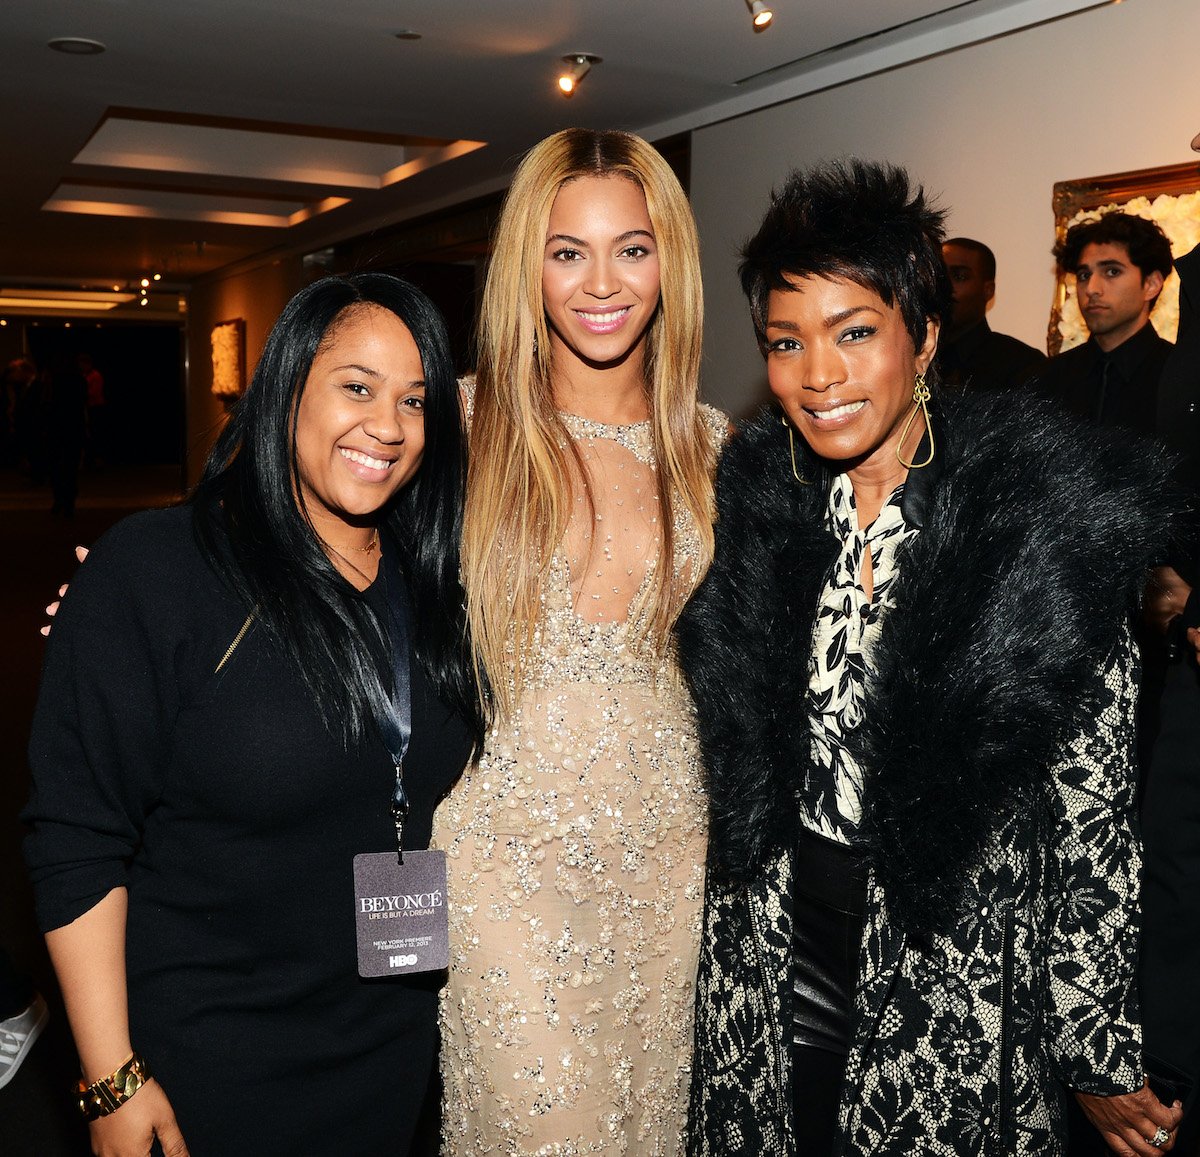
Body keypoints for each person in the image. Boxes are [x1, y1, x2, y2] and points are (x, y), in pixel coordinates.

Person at [678, 160, 1184, 1157]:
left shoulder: (1037, 529)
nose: (817, 374)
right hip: (766, 952)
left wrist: (1091, 1039)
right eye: (787, 341)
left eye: (853, 331)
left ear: (926, 333)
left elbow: (1093, 822)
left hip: (951, 969)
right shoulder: (750, 510)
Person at [24, 273, 484, 1155]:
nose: (386, 426)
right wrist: (110, 1075)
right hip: (206, 1065)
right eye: (356, 385)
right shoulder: (162, 569)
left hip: (386, 1058)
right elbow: (75, 835)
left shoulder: (432, 585)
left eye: (415, 400)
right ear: (287, 389)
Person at [431, 128, 725, 1155]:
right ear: (529, 265)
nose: (602, 282)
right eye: (568, 251)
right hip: (502, 861)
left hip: (669, 855)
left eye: (632, 248)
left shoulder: (717, 448)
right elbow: (306, 544)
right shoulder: (455, 428)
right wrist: (136, 607)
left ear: (669, 261)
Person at [1037, 212, 1174, 433]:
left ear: (1151, 284)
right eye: (1083, 275)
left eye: (1112, 272)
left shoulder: (1180, 379)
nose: (1091, 289)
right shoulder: (1048, 378)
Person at [937, 236, 1046, 390]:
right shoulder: (911, 356)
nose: (944, 287)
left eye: (959, 277)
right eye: (939, 276)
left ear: (988, 290)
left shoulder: (1023, 364)